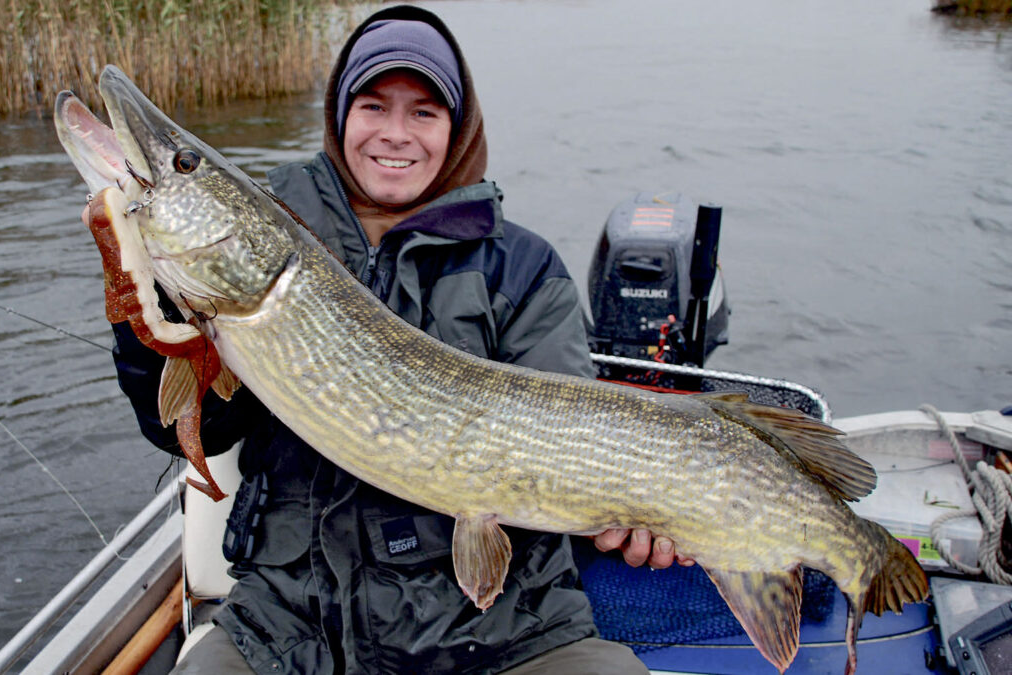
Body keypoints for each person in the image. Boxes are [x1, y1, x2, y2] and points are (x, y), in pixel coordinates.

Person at [108, 5, 689, 673]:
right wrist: (148, 318)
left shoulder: (522, 269)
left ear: (457, 130)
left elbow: (570, 441)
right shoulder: (263, 253)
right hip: (292, 626)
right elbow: (197, 431)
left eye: (424, 112)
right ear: (340, 117)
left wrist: (640, 509)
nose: (395, 133)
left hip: (507, 630)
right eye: (374, 105)